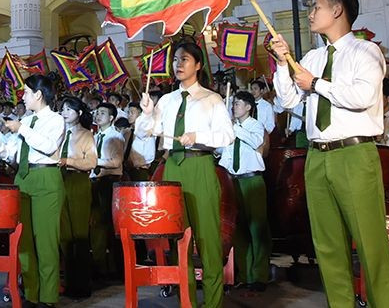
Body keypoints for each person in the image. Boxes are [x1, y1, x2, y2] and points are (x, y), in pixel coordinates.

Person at [271, 0, 389, 308]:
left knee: (370, 244)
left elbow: (362, 97)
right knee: (327, 245)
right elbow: (287, 100)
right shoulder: (313, 57)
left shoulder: (365, 52)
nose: (312, 13)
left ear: (338, 10)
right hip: (317, 156)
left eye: (318, 7)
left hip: (353, 154)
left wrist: (316, 83)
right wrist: (284, 64)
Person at [136, 41, 235, 308]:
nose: (178, 64)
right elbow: (145, 132)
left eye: (185, 59)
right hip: (173, 166)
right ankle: (188, 302)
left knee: (208, 239)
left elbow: (227, 136)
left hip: (199, 165)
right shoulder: (166, 100)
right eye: (176, 60)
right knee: (179, 238)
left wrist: (197, 137)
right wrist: (146, 114)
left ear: (198, 65)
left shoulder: (211, 99)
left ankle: (213, 303)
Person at [0, 74, 64, 308]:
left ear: (39, 94)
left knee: (46, 241)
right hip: (23, 177)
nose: (23, 96)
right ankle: (31, 294)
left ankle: (48, 297)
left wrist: (22, 128)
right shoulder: (27, 121)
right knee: (25, 241)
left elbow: (49, 146)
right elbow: (13, 153)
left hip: (46, 178)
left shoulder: (55, 119)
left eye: (26, 92)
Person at [221, 90, 270, 292]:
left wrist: (233, 127)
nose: (235, 107)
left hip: (252, 180)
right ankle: (245, 274)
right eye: (233, 104)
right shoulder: (230, 128)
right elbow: (224, 154)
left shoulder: (255, 126)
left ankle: (259, 276)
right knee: (239, 230)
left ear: (249, 107)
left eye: (239, 104)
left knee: (257, 228)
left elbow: (256, 142)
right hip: (234, 181)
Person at [56, 96, 96, 298]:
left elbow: (91, 162)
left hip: (77, 180)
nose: (64, 112)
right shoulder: (57, 132)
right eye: (62, 109)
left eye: (69, 109)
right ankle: (67, 280)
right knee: (63, 233)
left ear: (79, 113)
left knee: (79, 233)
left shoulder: (85, 135)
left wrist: (68, 161)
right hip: (58, 180)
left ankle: (80, 284)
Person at [89, 102, 124, 280]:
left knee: (107, 224)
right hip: (95, 181)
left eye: (103, 113)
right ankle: (99, 264)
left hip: (108, 182)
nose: (98, 115)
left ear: (111, 118)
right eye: (97, 112)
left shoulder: (115, 136)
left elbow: (116, 162)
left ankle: (114, 268)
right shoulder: (95, 136)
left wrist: (93, 160)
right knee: (96, 224)